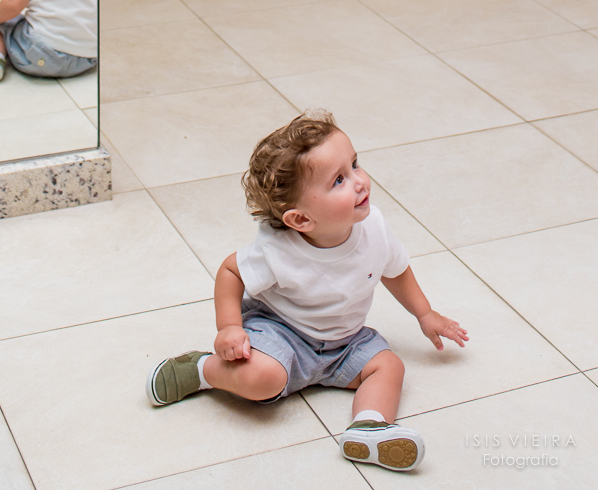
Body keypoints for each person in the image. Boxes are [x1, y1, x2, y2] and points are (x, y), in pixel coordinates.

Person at [146, 111, 468, 473]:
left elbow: (395, 270)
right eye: (339, 180)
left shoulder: (374, 227)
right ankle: (202, 370)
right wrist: (229, 327)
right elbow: (231, 271)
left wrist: (425, 313)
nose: (360, 182)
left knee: (389, 366)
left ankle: (370, 426)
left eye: (355, 165)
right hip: (282, 333)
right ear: (301, 219)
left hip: (346, 342)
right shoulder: (278, 249)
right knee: (262, 379)